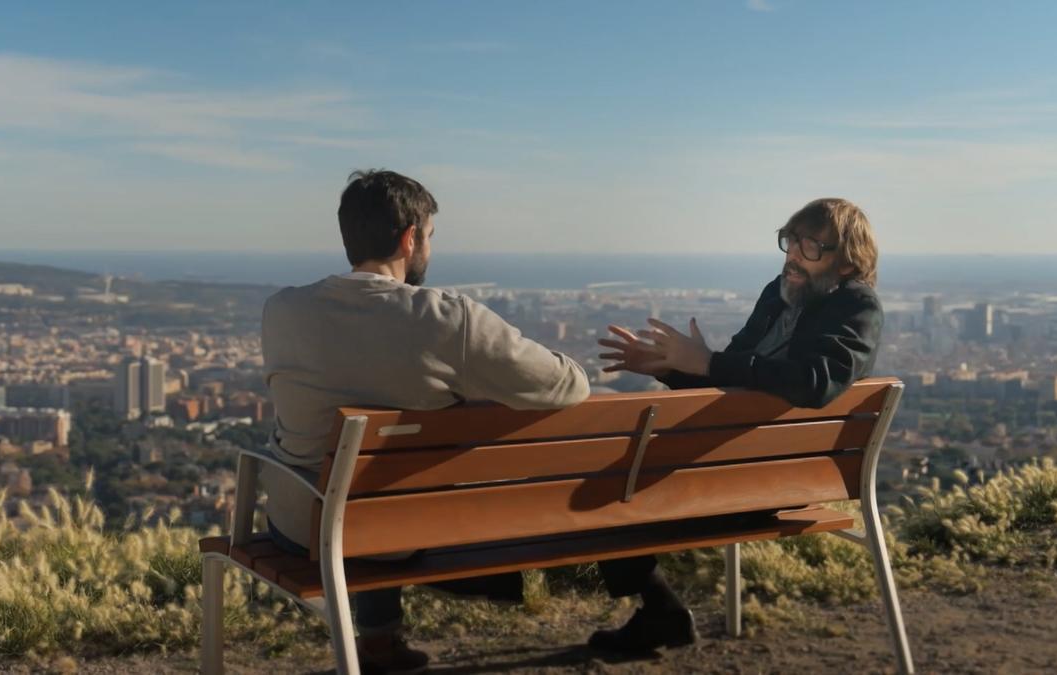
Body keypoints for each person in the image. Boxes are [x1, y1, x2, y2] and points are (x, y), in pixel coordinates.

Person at [260, 169, 590, 674]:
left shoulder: (282, 310)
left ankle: (378, 643)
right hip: (404, 529)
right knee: (382, 498)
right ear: (410, 238)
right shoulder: (448, 320)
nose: (429, 248)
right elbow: (569, 386)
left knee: (354, 485)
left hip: (299, 524)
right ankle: (382, 641)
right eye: (429, 237)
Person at [593, 197, 883, 653]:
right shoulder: (780, 292)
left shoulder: (857, 307)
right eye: (790, 241)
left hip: (775, 476)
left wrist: (707, 362)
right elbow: (728, 378)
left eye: (812, 247)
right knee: (611, 472)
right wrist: (669, 368)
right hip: (739, 462)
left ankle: (661, 610)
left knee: (606, 483)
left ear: (846, 265)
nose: (793, 255)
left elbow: (815, 383)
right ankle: (660, 612)